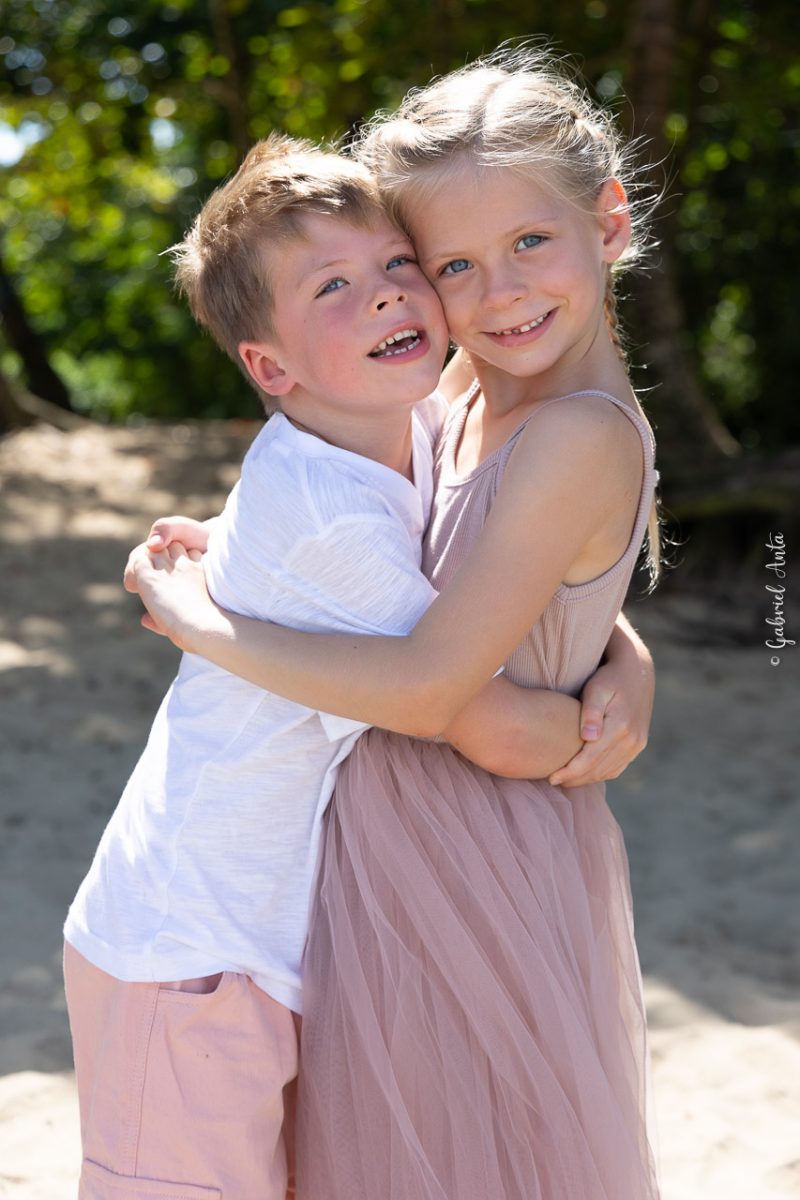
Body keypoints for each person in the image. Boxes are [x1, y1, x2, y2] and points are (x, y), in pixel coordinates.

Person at [65, 132, 650, 1200]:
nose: (389, 297)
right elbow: (477, 714)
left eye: (395, 266)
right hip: (188, 949)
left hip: (270, 935)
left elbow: (502, 583)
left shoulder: (413, 421)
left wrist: (621, 652)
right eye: (335, 285)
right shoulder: (332, 513)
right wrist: (598, 733)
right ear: (271, 368)